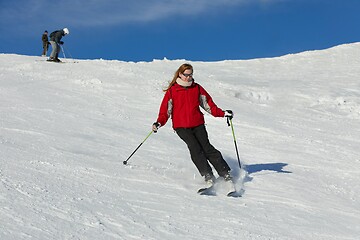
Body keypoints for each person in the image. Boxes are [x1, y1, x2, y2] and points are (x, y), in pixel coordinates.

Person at [152, 63, 234, 186]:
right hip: (181, 127)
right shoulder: (173, 91)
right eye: (186, 75)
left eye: (190, 75)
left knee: (207, 148)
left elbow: (209, 105)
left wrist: (223, 114)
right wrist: (159, 122)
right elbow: (165, 111)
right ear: (180, 74)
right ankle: (208, 175)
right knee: (195, 148)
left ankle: (225, 173)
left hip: (198, 124)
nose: (188, 77)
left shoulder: (197, 88)